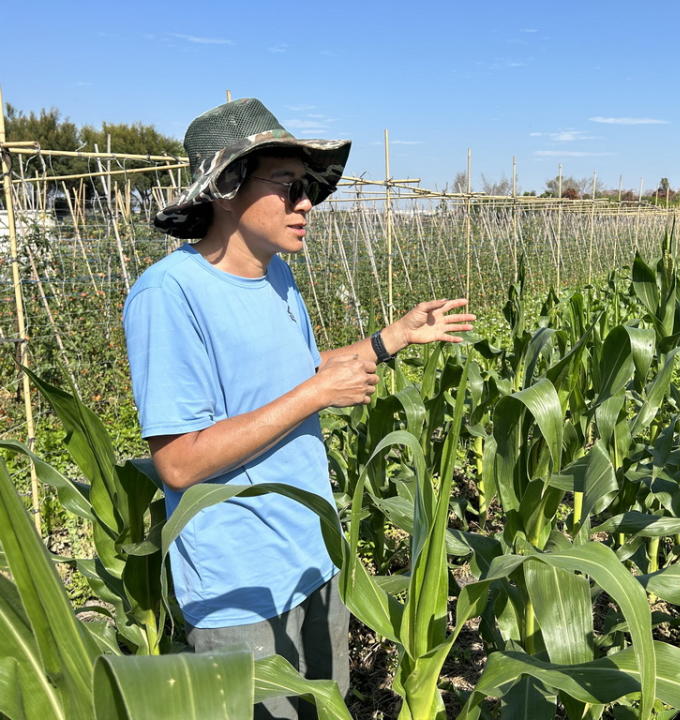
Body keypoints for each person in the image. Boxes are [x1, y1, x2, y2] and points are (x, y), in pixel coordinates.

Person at [123, 97, 474, 719]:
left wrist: (386, 340)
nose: (307, 203)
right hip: (241, 587)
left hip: (313, 556)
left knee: (327, 705)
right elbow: (177, 463)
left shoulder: (276, 275)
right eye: (288, 186)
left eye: (309, 187)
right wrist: (316, 396)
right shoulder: (169, 295)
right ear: (227, 185)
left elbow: (290, 374)